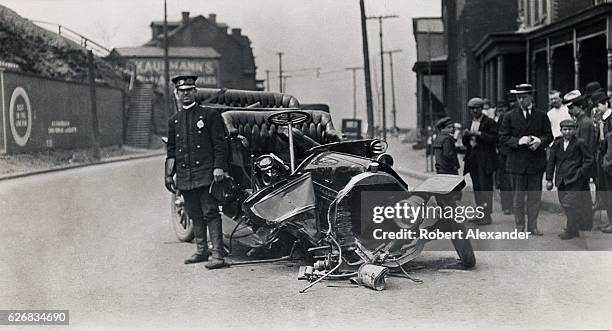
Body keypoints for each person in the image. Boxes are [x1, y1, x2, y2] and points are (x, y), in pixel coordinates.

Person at [164, 75, 229, 269]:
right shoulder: (174, 121)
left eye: (189, 90)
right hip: (186, 175)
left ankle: (218, 255)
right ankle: (202, 251)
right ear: (176, 94)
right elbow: (172, 151)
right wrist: (168, 174)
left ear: (195, 92)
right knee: (193, 212)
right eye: (181, 91)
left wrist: (219, 167)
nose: (185, 94)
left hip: (206, 173)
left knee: (210, 211)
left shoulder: (209, 116)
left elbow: (220, 145)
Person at [499, 84, 553, 235]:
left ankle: (533, 227)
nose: (521, 100)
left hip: (536, 163)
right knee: (518, 198)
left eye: (523, 97)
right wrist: (517, 141)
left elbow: (549, 136)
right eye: (518, 98)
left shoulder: (541, 115)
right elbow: (502, 138)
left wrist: (540, 142)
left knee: (535, 198)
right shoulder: (509, 116)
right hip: (516, 164)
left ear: (531, 97)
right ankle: (520, 227)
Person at [546, 119, 594, 239]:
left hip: (575, 180)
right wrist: (549, 179)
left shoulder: (580, 143)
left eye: (570, 129)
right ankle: (574, 228)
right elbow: (551, 162)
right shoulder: (557, 144)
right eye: (565, 129)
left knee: (570, 204)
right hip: (561, 180)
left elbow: (589, 159)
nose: (567, 132)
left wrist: (581, 172)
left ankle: (570, 230)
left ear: (575, 130)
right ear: (561, 130)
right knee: (564, 203)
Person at [462, 97, 498, 225]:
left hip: (485, 160)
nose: (474, 111)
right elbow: (464, 143)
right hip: (472, 159)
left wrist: (480, 134)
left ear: (482, 109)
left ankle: (487, 215)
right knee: (477, 188)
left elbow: (495, 139)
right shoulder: (468, 122)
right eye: (472, 109)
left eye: (477, 108)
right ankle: (480, 213)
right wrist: (465, 136)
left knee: (485, 188)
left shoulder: (490, 122)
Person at [591, 90, 612, 233]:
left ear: (605, 103)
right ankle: (610, 221)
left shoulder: (610, 119)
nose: (596, 108)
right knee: (605, 192)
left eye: (598, 105)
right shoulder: (602, 119)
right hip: (602, 160)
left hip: (609, 161)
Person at [495, 100, 513, 214]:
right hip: (505, 153)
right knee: (505, 181)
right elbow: (498, 136)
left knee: (514, 181)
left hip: (516, 152)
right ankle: (506, 206)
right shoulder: (503, 117)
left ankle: (514, 205)